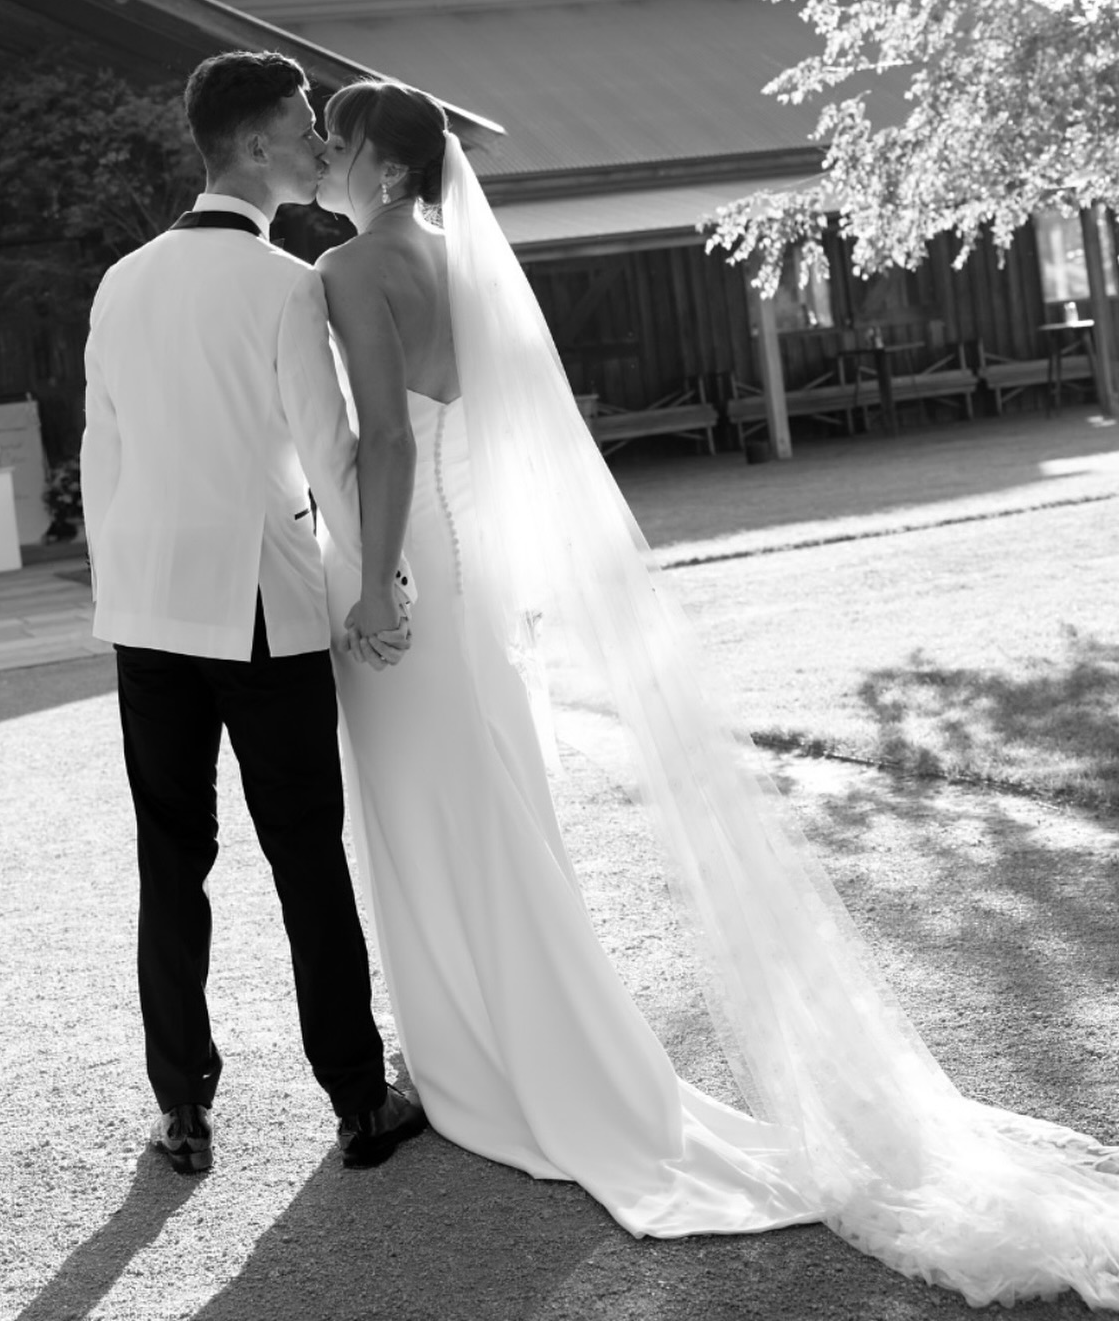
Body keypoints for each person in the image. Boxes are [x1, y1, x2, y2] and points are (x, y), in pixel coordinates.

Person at [314, 77, 1119, 1309]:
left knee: (442, 812)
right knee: (488, 808)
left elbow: (391, 438)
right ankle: (482, 1050)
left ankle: (498, 1062)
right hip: (467, 558)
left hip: (412, 561)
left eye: (335, 141)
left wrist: (375, 587)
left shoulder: (354, 271)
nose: (322, 155)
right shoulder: (458, 258)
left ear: (374, 159)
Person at [80, 50, 424, 1176]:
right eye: (304, 122)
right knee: (303, 858)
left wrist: (122, 590)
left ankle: (182, 1105)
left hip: (149, 613)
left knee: (168, 863)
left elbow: (101, 458)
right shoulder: (287, 283)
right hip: (262, 606)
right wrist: (375, 581)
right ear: (260, 146)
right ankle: (358, 1101)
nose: (317, 138)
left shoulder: (119, 283)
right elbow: (327, 454)